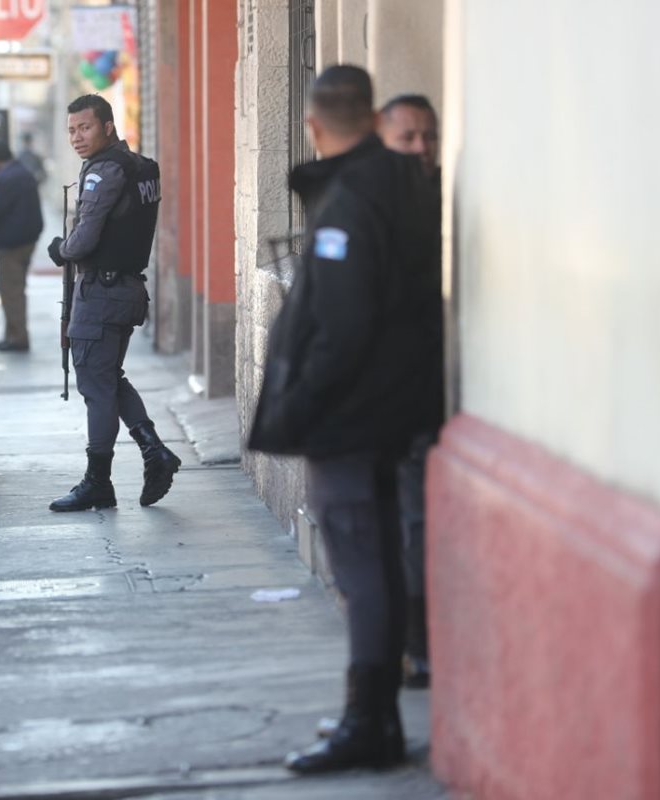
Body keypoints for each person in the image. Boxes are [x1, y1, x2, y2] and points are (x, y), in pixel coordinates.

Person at [247, 65, 442, 774]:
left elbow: (344, 324)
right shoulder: (406, 185)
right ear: (370, 114)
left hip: (355, 421)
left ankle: (369, 724)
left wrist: (296, 408)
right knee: (379, 565)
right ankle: (377, 717)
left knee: (361, 570)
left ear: (314, 126)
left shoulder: (352, 199)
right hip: (392, 410)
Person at [45, 94, 180, 512]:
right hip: (126, 290)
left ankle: (98, 482)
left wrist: (61, 249)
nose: (77, 137)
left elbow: (84, 239)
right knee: (108, 377)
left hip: (102, 294)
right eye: (71, 130)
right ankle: (153, 450)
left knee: (95, 385)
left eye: (85, 128)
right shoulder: (142, 167)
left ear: (107, 126)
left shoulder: (103, 172)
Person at [378, 92, 441, 691]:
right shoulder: (366, 207)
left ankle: (419, 645)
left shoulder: (445, 202)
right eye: (408, 138)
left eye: (430, 137)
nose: (422, 149)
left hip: (431, 394)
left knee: (415, 522)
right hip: (382, 400)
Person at [0, 139, 43, 352]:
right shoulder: (22, 172)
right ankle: (12, 335)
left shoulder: (6, 178)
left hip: (11, 245)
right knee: (16, 290)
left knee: (11, 292)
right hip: (27, 241)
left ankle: (17, 338)